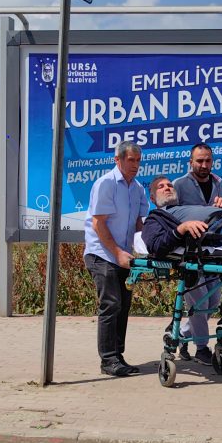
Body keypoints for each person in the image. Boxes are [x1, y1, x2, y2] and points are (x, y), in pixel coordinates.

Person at [83, 141, 148, 378]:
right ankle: (108, 360)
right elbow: (99, 223)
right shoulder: (106, 184)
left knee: (123, 306)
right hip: (102, 253)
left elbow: (139, 224)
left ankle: (117, 355)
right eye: (131, 160)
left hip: (125, 257)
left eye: (138, 161)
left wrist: (146, 249)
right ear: (118, 160)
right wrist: (117, 252)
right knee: (110, 304)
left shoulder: (138, 188)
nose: (135, 165)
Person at [171, 143, 222, 365]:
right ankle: (202, 348)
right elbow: (171, 218)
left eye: (208, 161)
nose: (204, 165)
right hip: (189, 254)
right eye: (199, 161)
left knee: (212, 301)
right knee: (198, 302)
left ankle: (182, 334)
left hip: (211, 252)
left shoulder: (218, 183)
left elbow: (218, 216)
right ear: (191, 162)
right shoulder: (179, 185)